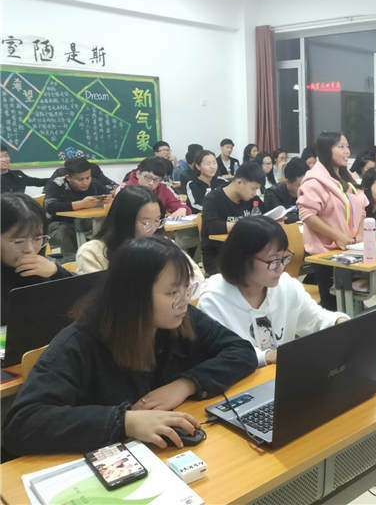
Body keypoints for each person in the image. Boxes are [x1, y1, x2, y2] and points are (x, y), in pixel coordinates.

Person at [2, 235, 257, 456]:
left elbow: (241, 351)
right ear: (134, 296)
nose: (183, 301)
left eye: (185, 288)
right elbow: (22, 423)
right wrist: (125, 422)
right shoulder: (80, 342)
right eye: (172, 293)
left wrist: (186, 385)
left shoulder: (182, 318)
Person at [198, 217, 347, 367]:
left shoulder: (285, 285)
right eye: (273, 261)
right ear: (242, 258)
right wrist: (269, 356)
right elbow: (224, 356)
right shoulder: (213, 300)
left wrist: (339, 323)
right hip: (241, 378)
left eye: (284, 258)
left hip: (281, 374)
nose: (281, 267)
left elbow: (317, 319)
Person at [297, 132, 368, 311]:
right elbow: (307, 215)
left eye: (347, 146)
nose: (347, 151)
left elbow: (362, 207)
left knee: (354, 303)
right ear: (326, 150)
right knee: (333, 307)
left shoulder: (346, 176)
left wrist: (360, 233)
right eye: (341, 147)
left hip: (351, 250)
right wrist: (337, 236)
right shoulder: (314, 180)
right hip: (326, 255)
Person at [76, 185, 203, 282]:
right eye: (146, 223)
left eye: (157, 221)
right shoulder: (92, 252)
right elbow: (98, 298)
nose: (153, 229)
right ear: (124, 221)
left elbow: (196, 277)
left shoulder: (164, 245)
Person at [1, 193, 72, 324]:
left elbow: (84, 299)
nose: (30, 249)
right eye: (18, 241)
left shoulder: (44, 269)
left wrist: (57, 272)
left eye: (38, 238)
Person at [201, 162, 265, 276]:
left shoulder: (251, 199)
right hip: (220, 257)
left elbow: (267, 213)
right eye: (253, 188)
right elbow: (211, 226)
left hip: (247, 254)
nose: (254, 193)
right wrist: (244, 225)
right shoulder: (213, 199)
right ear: (240, 182)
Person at [44, 157, 111, 254]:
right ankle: (70, 260)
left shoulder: (94, 184)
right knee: (64, 231)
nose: (85, 182)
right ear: (68, 177)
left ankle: (101, 256)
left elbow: (108, 193)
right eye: (80, 179)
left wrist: (108, 198)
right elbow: (50, 206)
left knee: (106, 225)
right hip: (59, 223)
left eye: (88, 178)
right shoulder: (56, 184)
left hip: (86, 221)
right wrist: (80, 204)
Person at [119, 157, 189, 220]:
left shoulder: (164, 188)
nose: (151, 183)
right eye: (148, 177)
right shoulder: (124, 189)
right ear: (138, 174)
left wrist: (182, 209)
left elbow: (183, 207)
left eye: (156, 179)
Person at [262, 157, 307, 224]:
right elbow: (281, 217)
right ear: (288, 181)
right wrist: (307, 217)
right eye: (299, 185)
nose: (303, 189)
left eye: (305, 185)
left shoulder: (307, 192)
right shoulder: (272, 193)